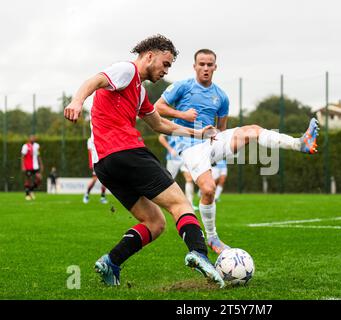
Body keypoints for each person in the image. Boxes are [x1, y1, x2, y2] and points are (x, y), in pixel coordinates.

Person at [63, 35, 224, 288]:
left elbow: (159, 124)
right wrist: (76, 100)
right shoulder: (126, 70)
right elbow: (94, 80)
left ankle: (111, 262)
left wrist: (197, 133)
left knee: (155, 223)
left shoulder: (138, 91)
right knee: (180, 203)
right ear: (150, 56)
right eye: (165, 63)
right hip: (127, 152)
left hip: (105, 165)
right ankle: (199, 253)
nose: (166, 70)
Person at [155, 48, 319, 254]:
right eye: (202, 64)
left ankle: (299, 144)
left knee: (252, 130)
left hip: (211, 141)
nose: (205, 68)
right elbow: (158, 107)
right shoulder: (182, 86)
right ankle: (212, 238)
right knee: (207, 189)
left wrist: (221, 148)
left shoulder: (221, 96)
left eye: (209, 64)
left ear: (215, 67)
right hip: (188, 145)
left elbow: (221, 129)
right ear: (195, 66)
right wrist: (183, 114)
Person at [158, 134, 197, 210]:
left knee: (189, 178)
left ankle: (190, 204)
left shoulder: (187, 126)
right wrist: (170, 149)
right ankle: (164, 202)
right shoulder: (173, 124)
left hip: (185, 157)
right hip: (173, 158)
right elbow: (161, 137)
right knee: (168, 180)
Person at [83, 137, 108, 204]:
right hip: (96, 162)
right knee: (94, 179)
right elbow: (90, 152)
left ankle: (102, 197)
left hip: (102, 161)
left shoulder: (100, 136)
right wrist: (92, 163)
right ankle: (86, 195)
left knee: (104, 180)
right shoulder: (90, 140)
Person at [21, 135, 44, 200]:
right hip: (28, 166)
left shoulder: (37, 146)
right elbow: (22, 156)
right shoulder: (25, 146)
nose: (33, 139)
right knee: (28, 180)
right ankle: (27, 195)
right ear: (29, 139)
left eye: (34, 138)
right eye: (31, 137)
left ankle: (31, 190)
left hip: (35, 166)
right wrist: (23, 166)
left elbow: (38, 155)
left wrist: (41, 164)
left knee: (39, 178)